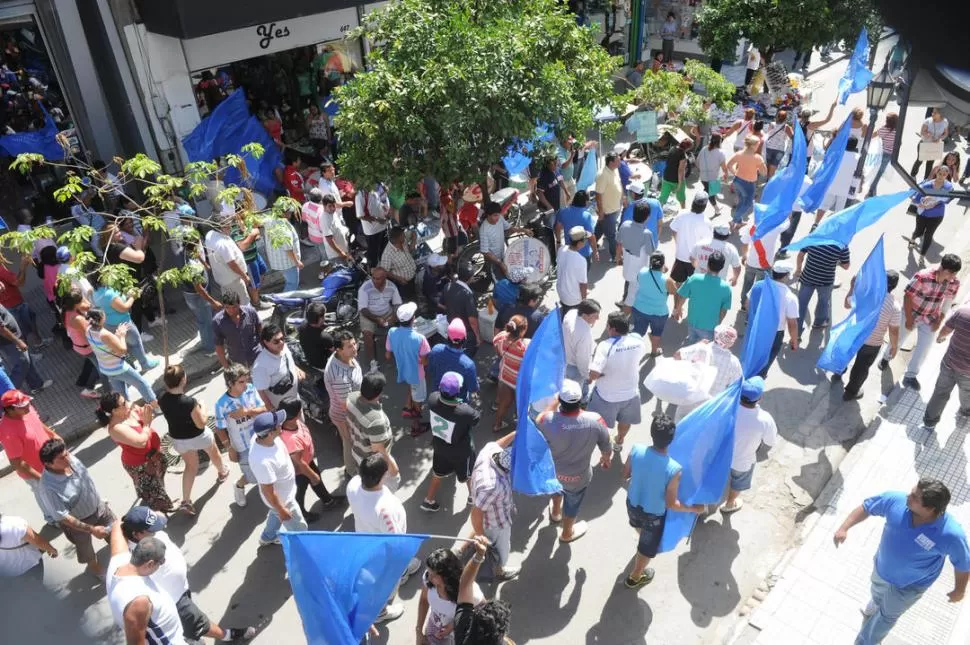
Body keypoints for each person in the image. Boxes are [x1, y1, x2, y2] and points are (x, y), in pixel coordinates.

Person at [833, 478, 969, 645]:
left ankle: (865, 642)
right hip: (882, 568)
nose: (908, 496)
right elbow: (867, 507)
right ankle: (875, 606)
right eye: (912, 492)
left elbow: (963, 564)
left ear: (930, 508)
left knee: (886, 616)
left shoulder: (951, 535)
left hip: (910, 585)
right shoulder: (896, 501)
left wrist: (959, 590)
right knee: (877, 593)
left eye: (915, 497)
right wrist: (844, 528)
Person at [120, 506, 257, 642]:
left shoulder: (147, 534)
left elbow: (157, 515)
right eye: (152, 530)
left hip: (181, 589)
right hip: (174, 601)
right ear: (137, 534)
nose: (157, 530)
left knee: (188, 625)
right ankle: (227, 635)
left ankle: (189, 634)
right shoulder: (130, 557)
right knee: (200, 624)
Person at [623, 414, 705, 589]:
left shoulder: (636, 449)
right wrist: (693, 509)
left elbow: (626, 474)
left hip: (632, 504)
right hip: (653, 515)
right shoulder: (674, 469)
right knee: (646, 548)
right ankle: (635, 576)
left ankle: (642, 540)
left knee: (639, 529)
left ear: (651, 433)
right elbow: (670, 504)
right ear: (671, 439)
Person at [346, 453, 422, 623]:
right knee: (385, 584)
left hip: (364, 540)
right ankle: (380, 611)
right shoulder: (385, 509)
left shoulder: (353, 485)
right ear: (383, 476)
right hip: (383, 555)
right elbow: (396, 543)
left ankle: (403, 569)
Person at [536, 380, 611, 544]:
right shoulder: (595, 420)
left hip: (554, 473)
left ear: (560, 401)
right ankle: (567, 533)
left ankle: (555, 512)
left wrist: (555, 401)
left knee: (556, 489)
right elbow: (606, 446)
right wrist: (606, 459)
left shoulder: (547, 420)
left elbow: (540, 417)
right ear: (581, 399)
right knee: (573, 503)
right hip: (579, 477)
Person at [38, 438, 115, 578]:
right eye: (61, 458)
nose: (68, 459)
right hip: (79, 522)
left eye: (67, 454)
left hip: (99, 507)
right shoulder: (47, 488)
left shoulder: (69, 458)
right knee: (86, 550)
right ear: (48, 464)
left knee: (115, 531)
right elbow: (63, 517)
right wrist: (91, 529)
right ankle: (97, 569)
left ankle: (120, 550)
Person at [158, 365, 229, 515]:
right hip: (198, 436)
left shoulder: (163, 399)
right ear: (183, 379)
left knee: (191, 467)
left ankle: (186, 501)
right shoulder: (189, 402)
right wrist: (202, 407)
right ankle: (222, 472)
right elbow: (201, 423)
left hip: (177, 439)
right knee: (213, 451)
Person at [105, 520, 186, 644]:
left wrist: (128, 519)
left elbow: (116, 527)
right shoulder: (138, 601)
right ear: (150, 564)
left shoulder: (120, 560)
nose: (162, 563)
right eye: (161, 562)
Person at [99, 392, 175, 513]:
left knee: (158, 479)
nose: (128, 404)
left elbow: (146, 414)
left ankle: (155, 495)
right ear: (114, 410)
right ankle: (161, 509)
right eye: (123, 403)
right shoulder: (116, 428)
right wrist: (146, 424)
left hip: (154, 455)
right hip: (140, 464)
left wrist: (148, 414)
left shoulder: (129, 410)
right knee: (153, 489)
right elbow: (141, 442)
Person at [897, 255, 961, 391]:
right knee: (897, 341)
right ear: (942, 268)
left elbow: (948, 302)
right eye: (950, 273)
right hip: (912, 313)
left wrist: (940, 319)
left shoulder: (954, 283)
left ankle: (910, 375)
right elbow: (908, 296)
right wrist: (909, 319)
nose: (952, 277)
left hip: (931, 318)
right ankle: (886, 357)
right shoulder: (923, 276)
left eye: (955, 274)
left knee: (924, 348)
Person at [420, 372, 480, 513]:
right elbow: (476, 419)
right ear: (458, 391)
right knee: (468, 474)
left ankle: (428, 500)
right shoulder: (465, 411)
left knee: (437, 473)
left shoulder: (432, 399)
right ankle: (472, 496)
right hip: (461, 451)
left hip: (440, 447)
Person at [587, 311, 646, 453]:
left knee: (600, 424)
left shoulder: (604, 346)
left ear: (612, 329)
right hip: (631, 394)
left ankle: (605, 447)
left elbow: (594, 374)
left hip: (607, 396)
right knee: (625, 421)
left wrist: (598, 375)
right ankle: (619, 440)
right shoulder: (638, 343)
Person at [249, 410, 309, 546]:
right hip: (284, 501)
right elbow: (268, 490)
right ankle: (304, 551)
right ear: (270, 433)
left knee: (275, 515)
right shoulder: (262, 462)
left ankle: (267, 537)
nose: (281, 424)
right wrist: (282, 509)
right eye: (278, 424)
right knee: (301, 529)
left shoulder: (260, 437)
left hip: (282, 497)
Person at [214, 363, 268, 508]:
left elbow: (264, 409)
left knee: (265, 465)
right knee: (251, 476)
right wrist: (229, 448)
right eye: (241, 382)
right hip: (242, 446)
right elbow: (219, 429)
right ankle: (239, 485)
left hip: (261, 438)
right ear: (230, 384)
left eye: (246, 380)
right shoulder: (221, 404)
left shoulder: (250, 390)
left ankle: (268, 491)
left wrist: (247, 412)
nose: (246, 384)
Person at [841, 271, 901, 401]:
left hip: (853, 335)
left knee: (845, 355)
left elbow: (847, 304)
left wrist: (852, 286)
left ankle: (838, 371)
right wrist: (894, 346)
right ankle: (851, 392)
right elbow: (894, 330)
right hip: (872, 343)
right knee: (861, 368)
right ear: (894, 286)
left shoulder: (865, 294)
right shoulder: (895, 307)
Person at [720, 377, 777, 514]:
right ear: (759, 398)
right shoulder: (765, 419)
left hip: (720, 457)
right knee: (737, 483)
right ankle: (730, 503)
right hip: (742, 462)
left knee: (716, 477)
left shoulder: (727, 407)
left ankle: (704, 501)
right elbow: (770, 442)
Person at [277, 397, 340, 521]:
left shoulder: (293, 423)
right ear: (296, 414)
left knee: (317, 479)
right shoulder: (291, 440)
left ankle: (328, 501)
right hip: (300, 471)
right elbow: (299, 463)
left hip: (308, 462)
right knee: (300, 492)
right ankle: (300, 515)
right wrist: (311, 475)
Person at [469, 432, 521, 581]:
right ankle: (499, 570)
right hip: (496, 523)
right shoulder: (491, 486)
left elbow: (498, 443)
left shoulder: (490, 452)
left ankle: (462, 550)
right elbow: (476, 513)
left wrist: (517, 432)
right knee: (502, 549)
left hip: (490, 513)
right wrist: (481, 536)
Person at [85, 309, 158, 407]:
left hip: (106, 369)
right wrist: (122, 335)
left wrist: (116, 336)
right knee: (142, 384)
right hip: (119, 368)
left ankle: (127, 413)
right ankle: (156, 406)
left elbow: (105, 345)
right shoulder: (104, 334)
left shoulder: (88, 330)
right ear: (101, 319)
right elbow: (122, 350)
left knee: (121, 396)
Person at [0, 389, 59, 511]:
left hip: (50, 461)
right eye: (22, 406)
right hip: (36, 472)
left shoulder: (27, 409)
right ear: (10, 410)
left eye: (27, 403)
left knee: (58, 491)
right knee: (45, 496)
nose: (27, 406)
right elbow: (17, 463)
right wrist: (41, 478)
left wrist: (54, 435)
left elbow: (38, 423)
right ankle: (52, 518)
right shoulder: (7, 432)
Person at [416, 547, 485, 645]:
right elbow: (423, 601)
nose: (429, 577)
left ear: (447, 574)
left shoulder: (469, 591)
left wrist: (453, 624)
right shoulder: (429, 579)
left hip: (460, 635)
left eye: (433, 575)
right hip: (435, 627)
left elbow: (483, 610)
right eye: (428, 572)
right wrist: (418, 631)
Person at [747, 260, 800, 378]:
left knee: (752, 355)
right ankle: (757, 381)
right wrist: (794, 340)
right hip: (775, 334)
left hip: (756, 327)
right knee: (765, 362)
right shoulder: (790, 297)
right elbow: (792, 323)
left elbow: (748, 304)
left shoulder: (758, 285)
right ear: (786, 276)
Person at [347, 371, 400, 487]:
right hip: (372, 464)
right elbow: (378, 449)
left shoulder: (351, 397)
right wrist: (393, 468)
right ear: (379, 393)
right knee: (378, 489)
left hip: (357, 451)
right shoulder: (376, 421)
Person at [325, 330, 364, 478]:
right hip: (345, 415)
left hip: (354, 408)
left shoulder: (347, 358)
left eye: (354, 344)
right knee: (349, 443)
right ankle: (351, 472)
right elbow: (345, 404)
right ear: (339, 350)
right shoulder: (339, 376)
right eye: (349, 346)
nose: (354, 348)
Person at [794, 243, 851, 336]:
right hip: (826, 280)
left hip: (808, 276)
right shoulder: (841, 244)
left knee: (801, 304)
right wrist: (837, 262)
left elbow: (800, 255)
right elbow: (846, 266)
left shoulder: (815, 236)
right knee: (823, 302)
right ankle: (819, 323)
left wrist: (798, 269)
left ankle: (796, 333)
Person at [386, 301, 431, 419]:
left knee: (412, 387)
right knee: (418, 398)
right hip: (417, 374)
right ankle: (417, 420)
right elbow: (424, 362)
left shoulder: (391, 332)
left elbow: (388, 355)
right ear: (413, 319)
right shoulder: (420, 338)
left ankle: (407, 405)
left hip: (402, 369)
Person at [674, 252, 732, 343]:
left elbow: (682, 296)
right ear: (722, 267)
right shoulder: (726, 288)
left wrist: (678, 309)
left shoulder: (694, 279)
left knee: (691, 345)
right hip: (710, 327)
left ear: (708, 264)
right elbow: (724, 310)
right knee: (703, 353)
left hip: (692, 322)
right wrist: (718, 324)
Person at [629, 250, 676, 356]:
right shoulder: (667, 280)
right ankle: (654, 351)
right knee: (656, 333)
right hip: (659, 312)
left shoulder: (642, 272)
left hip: (639, 308)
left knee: (638, 332)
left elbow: (640, 280)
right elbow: (673, 292)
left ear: (651, 263)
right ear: (663, 264)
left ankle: (632, 352)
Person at [739, 218, 789, 311]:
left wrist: (744, 256)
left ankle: (743, 304)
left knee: (747, 284)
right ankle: (754, 307)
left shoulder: (751, 228)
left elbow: (745, 244)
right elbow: (787, 223)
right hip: (765, 265)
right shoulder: (774, 228)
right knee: (760, 288)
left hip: (751, 263)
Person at [358, 266, 402, 372]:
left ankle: (401, 353)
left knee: (403, 322)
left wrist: (394, 317)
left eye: (378, 279)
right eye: (373, 278)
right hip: (369, 314)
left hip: (386, 312)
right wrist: (376, 319)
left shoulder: (392, 287)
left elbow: (397, 305)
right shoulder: (365, 288)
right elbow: (363, 309)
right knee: (367, 335)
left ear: (385, 278)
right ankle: (373, 363)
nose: (374, 281)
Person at [491, 315, 530, 434]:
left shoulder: (500, 338)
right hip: (519, 382)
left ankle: (497, 425)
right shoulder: (525, 347)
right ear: (523, 330)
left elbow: (498, 351)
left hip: (505, 376)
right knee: (522, 405)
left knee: (504, 403)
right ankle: (520, 425)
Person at [0, 253, 48, 348]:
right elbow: (18, 282)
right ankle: (29, 354)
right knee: (20, 332)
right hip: (13, 306)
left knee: (30, 320)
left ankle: (38, 343)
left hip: (13, 304)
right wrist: (23, 267)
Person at [252, 323, 305, 410]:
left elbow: (289, 361)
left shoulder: (283, 347)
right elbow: (260, 390)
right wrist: (271, 409)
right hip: (281, 407)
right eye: (276, 341)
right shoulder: (261, 365)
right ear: (266, 342)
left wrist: (297, 369)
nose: (281, 343)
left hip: (295, 398)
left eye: (282, 339)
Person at [907, 166, 954, 262]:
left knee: (929, 235)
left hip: (937, 216)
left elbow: (948, 199)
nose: (941, 176)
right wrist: (922, 203)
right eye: (940, 173)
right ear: (936, 173)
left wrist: (934, 201)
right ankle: (913, 239)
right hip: (923, 214)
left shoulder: (948, 187)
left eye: (944, 174)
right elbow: (915, 198)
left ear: (947, 175)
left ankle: (922, 255)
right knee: (919, 231)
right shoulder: (927, 185)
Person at [812, 137, 861, 228]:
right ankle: (834, 228)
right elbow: (859, 174)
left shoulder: (837, 154)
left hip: (832, 185)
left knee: (824, 206)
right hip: (845, 188)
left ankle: (815, 223)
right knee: (840, 210)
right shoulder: (858, 158)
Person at [427, 319, 480, 402]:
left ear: (447, 337)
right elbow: (473, 388)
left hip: (438, 396)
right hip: (458, 402)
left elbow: (431, 370)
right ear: (465, 339)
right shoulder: (468, 365)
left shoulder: (436, 349)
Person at [204, 213, 252, 305]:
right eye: (227, 227)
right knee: (244, 303)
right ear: (219, 228)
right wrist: (244, 276)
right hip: (233, 279)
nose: (230, 228)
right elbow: (232, 263)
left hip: (223, 279)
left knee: (232, 303)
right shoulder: (222, 244)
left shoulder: (210, 235)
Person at [668, 191, 714, 284]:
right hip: (696, 261)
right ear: (705, 206)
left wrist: (678, 242)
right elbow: (709, 243)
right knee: (694, 287)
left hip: (680, 256)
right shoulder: (706, 222)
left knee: (678, 285)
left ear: (693, 202)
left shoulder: (682, 214)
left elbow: (673, 229)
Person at [616, 200, 656, 305]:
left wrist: (618, 258)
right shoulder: (647, 234)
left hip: (627, 269)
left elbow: (619, 244)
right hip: (640, 274)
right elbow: (652, 254)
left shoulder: (624, 225)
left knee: (628, 285)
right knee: (634, 297)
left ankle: (624, 301)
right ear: (647, 217)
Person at [478, 201, 530, 282]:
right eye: (495, 215)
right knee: (501, 283)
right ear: (488, 215)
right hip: (493, 262)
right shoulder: (484, 230)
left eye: (498, 214)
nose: (497, 218)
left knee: (516, 276)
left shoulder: (500, 218)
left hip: (503, 255)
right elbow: (485, 252)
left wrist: (523, 230)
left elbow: (510, 228)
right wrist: (500, 263)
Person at [440, 264, 481, 358]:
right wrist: (478, 336)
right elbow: (472, 321)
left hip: (451, 328)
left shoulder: (447, 286)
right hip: (466, 332)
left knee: (453, 353)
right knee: (466, 356)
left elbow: (441, 304)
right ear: (470, 278)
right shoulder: (468, 295)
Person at [213, 290, 261, 369]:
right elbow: (219, 347)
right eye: (227, 307)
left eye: (234, 307)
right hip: (238, 363)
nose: (231, 311)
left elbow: (260, 331)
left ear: (239, 303)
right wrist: (227, 367)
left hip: (256, 356)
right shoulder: (217, 322)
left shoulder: (250, 312)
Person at [0, 512, 57, 578]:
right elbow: (38, 541)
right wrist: (52, 549)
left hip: (5, 572)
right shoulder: (13, 524)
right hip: (28, 565)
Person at [563, 300, 600, 399]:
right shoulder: (585, 334)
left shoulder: (571, 313)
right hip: (575, 367)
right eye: (595, 316)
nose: (598, 318)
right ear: (585, 315)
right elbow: (583, 359)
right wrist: (587, 375)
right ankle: (582, 401)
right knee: (575, 392)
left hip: (564, 358)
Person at [726, 136, 767, 228]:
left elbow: (729, 165)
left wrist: (735, 173)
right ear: (753, 145)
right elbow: (764, 173)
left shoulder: (739, 153)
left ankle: (739, 221)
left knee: (741, 201)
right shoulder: (758, 158)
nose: (758, 146)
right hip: (748, 184)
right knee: (748, 204)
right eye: (758, 144)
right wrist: (762, 164)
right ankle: (734, 220)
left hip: (737, 181)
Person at [691, 219, 741, 285]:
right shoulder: (731, 249)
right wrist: (735, 278)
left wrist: (698, 269)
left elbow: (692, 258)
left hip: (698, 280)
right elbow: (737, 267)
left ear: (713, 233)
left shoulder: (700, 243)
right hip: (718, 283)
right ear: (727, 236)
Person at [594, 152, 624, 262]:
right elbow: (598, 195)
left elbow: (619, 184)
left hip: (615, 208)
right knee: (612, 235)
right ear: (611, 162)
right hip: (607, 211)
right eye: (618, 160)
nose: (620, 162)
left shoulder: (615, 170)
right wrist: (601, 211)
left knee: (600, 229)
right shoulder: (602, 175)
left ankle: (589, 246)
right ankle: (615, 256)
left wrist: (623, 197)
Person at [555, 191, 599, 263]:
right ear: (585, 201)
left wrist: (558, 242)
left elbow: (557, 227)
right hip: (584, 254)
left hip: (569, 251)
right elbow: (591, 237)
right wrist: (595, 251)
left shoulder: (563, 212)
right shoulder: (587, 216)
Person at [262, 216, 303, 292]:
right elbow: (288, 249)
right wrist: (297, 262)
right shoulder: (283, 227)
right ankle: (285, 300)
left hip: (278, 261)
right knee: (292, 283)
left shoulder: (269, 219)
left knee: (291, 281)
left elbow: (257, 223)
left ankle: (294, 291)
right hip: (288, 263)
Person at [356, 184, 391, 270]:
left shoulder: (376, 187)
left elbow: (379, 203)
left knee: (385, 253)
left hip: (383, 227)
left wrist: (386, 213)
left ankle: (385, 271)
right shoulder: (360, 194)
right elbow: (360, 215)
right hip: (372, 232)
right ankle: (372, 274)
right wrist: (378, 219)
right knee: (373, 256)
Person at [556, 226, 589, 314]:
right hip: (573, 300)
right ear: (579, 243)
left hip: (561, 292)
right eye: (585, 240)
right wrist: (584, 301)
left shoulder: (561, 249)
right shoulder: (581, 260)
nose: (586, 241)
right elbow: (583, 284)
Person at [380, 227, 417, 301]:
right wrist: (398, 279)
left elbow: (413, 233)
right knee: (408, 301)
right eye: (403, 235)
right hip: (403, 285)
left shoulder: (403, 241)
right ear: (398, 238)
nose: (405, 236)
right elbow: (385, 271)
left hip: (413, 277)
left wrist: (413, 241)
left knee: (414, 296)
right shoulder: (387, 254)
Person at [911, 108, 949, 180]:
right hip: (924, 144)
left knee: (930, 163)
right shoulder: (928, 121)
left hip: (935, 146)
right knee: (919, 161)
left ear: (940, 114)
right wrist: (928, 134)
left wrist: (940, 138)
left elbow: (946, 133)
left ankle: (926, 179)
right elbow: (922, 132)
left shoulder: (945, 122)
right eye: (932, 112)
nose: (932, 114)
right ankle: (913, 175)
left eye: (935, 112)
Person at [867, 112, 898, 197]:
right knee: (879, 172)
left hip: (882, 153)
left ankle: (872, 190)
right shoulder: (898, 131)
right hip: (891, 155)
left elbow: (872, 136)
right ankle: (872, 189)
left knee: (875, 171)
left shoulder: (884, 129)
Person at [697, 134, 728, 214]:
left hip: (703, 177)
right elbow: (724, 167)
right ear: (720, 141)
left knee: (708, 192)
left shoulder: (704, 149)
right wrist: (726, 175)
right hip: (713, 178)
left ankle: (700, 207)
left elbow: (697, 162)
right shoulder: (720, 152)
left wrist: (702, 170)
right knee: (711, 194)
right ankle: (715, 209)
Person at [298, 302, 335, 370]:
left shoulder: (302, 325)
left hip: (310, 359)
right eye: (323, 316)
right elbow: (333, 351)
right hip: (322, 364)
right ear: (320, 319)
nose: (324, 317)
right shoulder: (325, 337)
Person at [658, 139, 692, 210]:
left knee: (663, 197)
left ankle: (658, 213)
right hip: (676, 180)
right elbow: (680, 170)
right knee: (681, 197)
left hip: (666, 177)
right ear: (687, 148)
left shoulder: (672, 148)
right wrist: (680, 184)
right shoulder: (682, 156)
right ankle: (683, 211)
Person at [763, 110, 793, 178]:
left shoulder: (772, 124)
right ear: (785, 118)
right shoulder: (786, 127)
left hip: (769, 148)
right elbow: (792, 137)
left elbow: (768, 134)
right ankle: (769, 183)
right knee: (773, 168)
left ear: (776, 116)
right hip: (779, 150)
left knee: (768, 166)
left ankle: (767, 180)